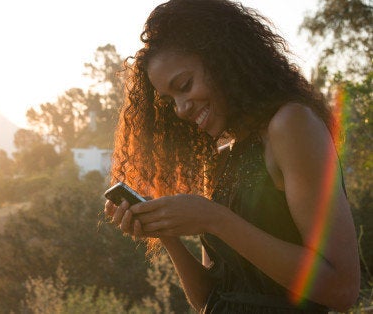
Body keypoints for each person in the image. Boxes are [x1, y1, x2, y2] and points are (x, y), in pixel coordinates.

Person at [103, 0, 361, 312]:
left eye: (184, 85)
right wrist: (166, 233)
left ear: (223, 59)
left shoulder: (291, 124)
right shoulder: (222, 156)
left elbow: (342, 288)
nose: (182, 109)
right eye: (170, 100)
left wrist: (214, 219)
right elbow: (209, 299)